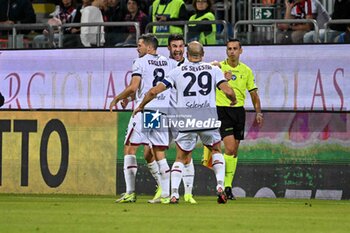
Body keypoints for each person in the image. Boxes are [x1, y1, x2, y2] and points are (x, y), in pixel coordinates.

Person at [133, 41, 237, 204]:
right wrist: (233, 99)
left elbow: (153, 91)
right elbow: (229, 91)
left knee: (181, 158)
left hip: (186, 120)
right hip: (208, 119)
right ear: (202, 55)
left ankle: (174, 194)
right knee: (216, 151)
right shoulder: (214, 70)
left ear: (187, 55)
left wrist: (141, 106)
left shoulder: (176, 72)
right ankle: (220, 186)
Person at [109, 34, 173, 204]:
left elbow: (134, 86)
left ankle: (130, 192)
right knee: (159, 153)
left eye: (140, 45)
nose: (137, 48)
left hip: (144, 110)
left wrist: (117, 98)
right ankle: (166, 194)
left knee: (130, 149)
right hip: (160, 111)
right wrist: (130, 99)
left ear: (149, 47)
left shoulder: (140, 61)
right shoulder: (169, 62)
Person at [203, 38, 263, 200]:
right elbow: (201, 68)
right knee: (229, 148)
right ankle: (224, 186)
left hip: (239, 112)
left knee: (234, 151)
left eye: (235, 48)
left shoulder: (246, 70)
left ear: (240, 51)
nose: (232, 51)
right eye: (229, 49)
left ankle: (227, 186)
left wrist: (258, 112)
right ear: (226, 51)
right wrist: (221, 75)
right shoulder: (218, 67)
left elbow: (253, 93)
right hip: (222, 110)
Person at [147, 34, 197, 204]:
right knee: (148, 152)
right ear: (168, 48)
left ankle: (188, 194)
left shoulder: (191, 67)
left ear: (185, 48)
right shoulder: (161, 64)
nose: (177, 49)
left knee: (185, 154)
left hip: (180, 114)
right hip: (157, 111)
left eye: (180, 46)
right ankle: (163, 188)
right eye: (174, 46)